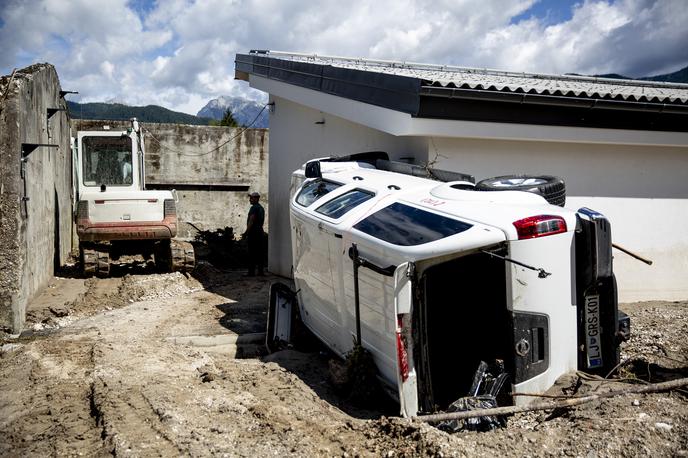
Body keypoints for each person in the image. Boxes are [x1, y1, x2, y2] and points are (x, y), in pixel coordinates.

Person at [242, 191, 265, 276]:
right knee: (260, 252)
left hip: (253, 233)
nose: (250, 200)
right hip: (260, 232)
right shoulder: (261, 208)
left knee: (252, 252)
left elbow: (251, 221)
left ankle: (251, 272)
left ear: (256, 198)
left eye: (251, 198)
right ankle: (260, 272)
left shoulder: (254, 208)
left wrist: (246, 233)